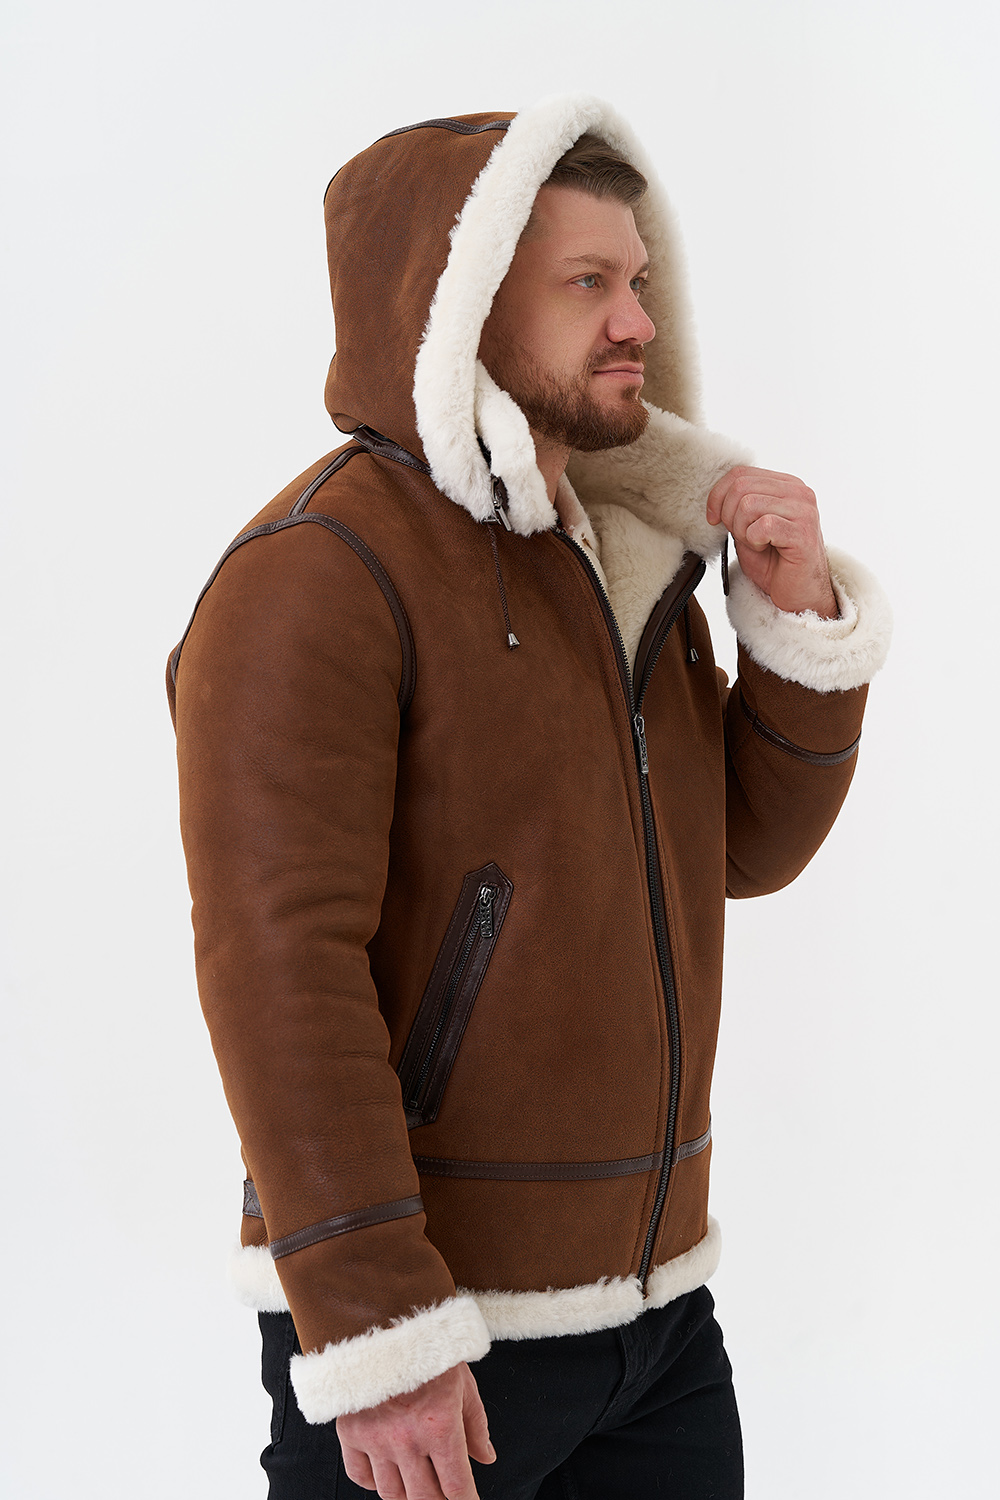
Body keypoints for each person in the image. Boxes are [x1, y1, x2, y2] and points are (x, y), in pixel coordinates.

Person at [168, 96, 891, 1500]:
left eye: (640, 280)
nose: (636, 320)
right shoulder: (317, 571)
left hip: (660, 1326)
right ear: (458, 305)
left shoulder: (622, 551)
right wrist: (380, 1327)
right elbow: (276, 967)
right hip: (438, 1338)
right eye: (586, 282)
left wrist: (793, 621)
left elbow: (742, 847)